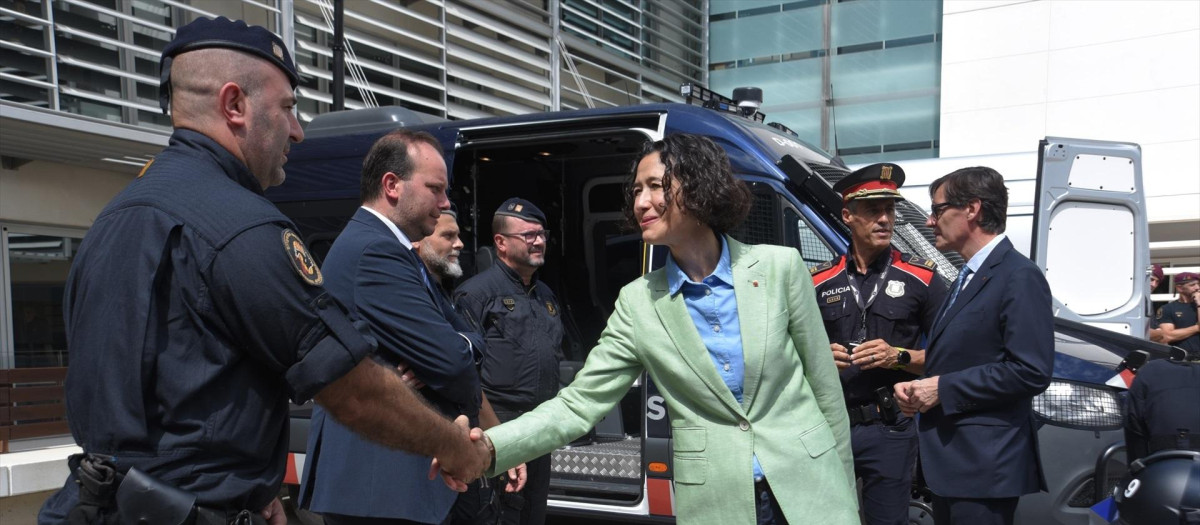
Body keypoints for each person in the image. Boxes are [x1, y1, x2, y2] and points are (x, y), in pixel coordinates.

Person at [38, 18, 486, 525]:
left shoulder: (111, 218)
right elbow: (352, 389)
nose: (297, 130)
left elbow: (169, 391)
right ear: (234, 105)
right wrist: (456, 446)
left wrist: (246, 490)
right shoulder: (242, 226)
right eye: (288, 108)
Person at [453, 133, 858, 524]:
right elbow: (577, 404)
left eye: (655, 186)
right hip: (719, 500)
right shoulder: (638, 303)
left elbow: (825, 392)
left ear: (699, 186)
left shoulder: (780, 268)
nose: (640, 202)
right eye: (635, 191)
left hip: (810, 489)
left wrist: (844, 499)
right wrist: (491, 447)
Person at [298, 130, 517, 525]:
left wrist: (454, 348)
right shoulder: (375, 251)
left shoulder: (394, 249)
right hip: (379, 488)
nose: (445, 202)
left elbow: (464, 341)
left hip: (390, 487)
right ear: (392, 185)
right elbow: (452, 362)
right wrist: (451, 351)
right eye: (435, 188)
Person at [894, 166, 1054, 525]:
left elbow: (1030, 371)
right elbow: (958, 358)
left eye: (937, 210)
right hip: (956, 467)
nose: (930, 222)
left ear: (972, 209)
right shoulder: (966, 277)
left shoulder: (1018, 276)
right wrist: (920, 388)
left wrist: (943, 388)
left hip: (984, 470)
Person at [811, 163, 947, 525]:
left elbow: (951, 359)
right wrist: (817, 358)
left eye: (889, 209)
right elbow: (786, 354)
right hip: (828, 426)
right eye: (873, 210)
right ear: (847, 215)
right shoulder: (817, 282)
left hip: (890, 427)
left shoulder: (923, 279)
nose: (885, 219)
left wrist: (898, 356)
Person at [452, 198, 564, 525]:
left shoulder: (545, 296)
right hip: (499, 425)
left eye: (542, 234)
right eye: (528, 235)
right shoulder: (475, 295)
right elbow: (463, 373)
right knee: (498, 516)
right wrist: (494, 435)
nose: (539, 241)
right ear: (501, 242)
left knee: (533, 515)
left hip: (540, 427)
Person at [414, 208, 527, 524]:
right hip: (425, 466)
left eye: (459, 235)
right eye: (448, 236)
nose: (460, 244)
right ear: (418, 243)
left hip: (462, 456)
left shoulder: (444, 296)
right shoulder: (409, 301)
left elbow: (469, 381)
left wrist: (503, 444)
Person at [1154, 272, 1200, 353]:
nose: (1197, 288)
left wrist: (1199, 303)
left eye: (1198, 284)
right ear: (1179, 288)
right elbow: (1167, 336)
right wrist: (1197, 328)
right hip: (1180, 360)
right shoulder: (1168, 309)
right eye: (1192, 285)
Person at [1148, 264, 1166, 342]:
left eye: (1157, 281)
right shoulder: (1133, 299)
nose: (1154, 285)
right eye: (1151, 279)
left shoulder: (1148, 301)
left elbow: (1154, 326)